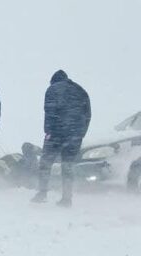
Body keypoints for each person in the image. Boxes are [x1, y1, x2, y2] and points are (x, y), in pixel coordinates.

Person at [31, 70, 91, 207]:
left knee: (45, 163)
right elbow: (88, 114)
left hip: (57, 132)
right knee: (68, 166)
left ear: (54, 81)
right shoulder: (81, 91)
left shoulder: (53, 89)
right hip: (75, 134)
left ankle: (42, 193)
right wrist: (81, 133)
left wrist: (48, 131)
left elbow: (49, 110)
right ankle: (67, 198)